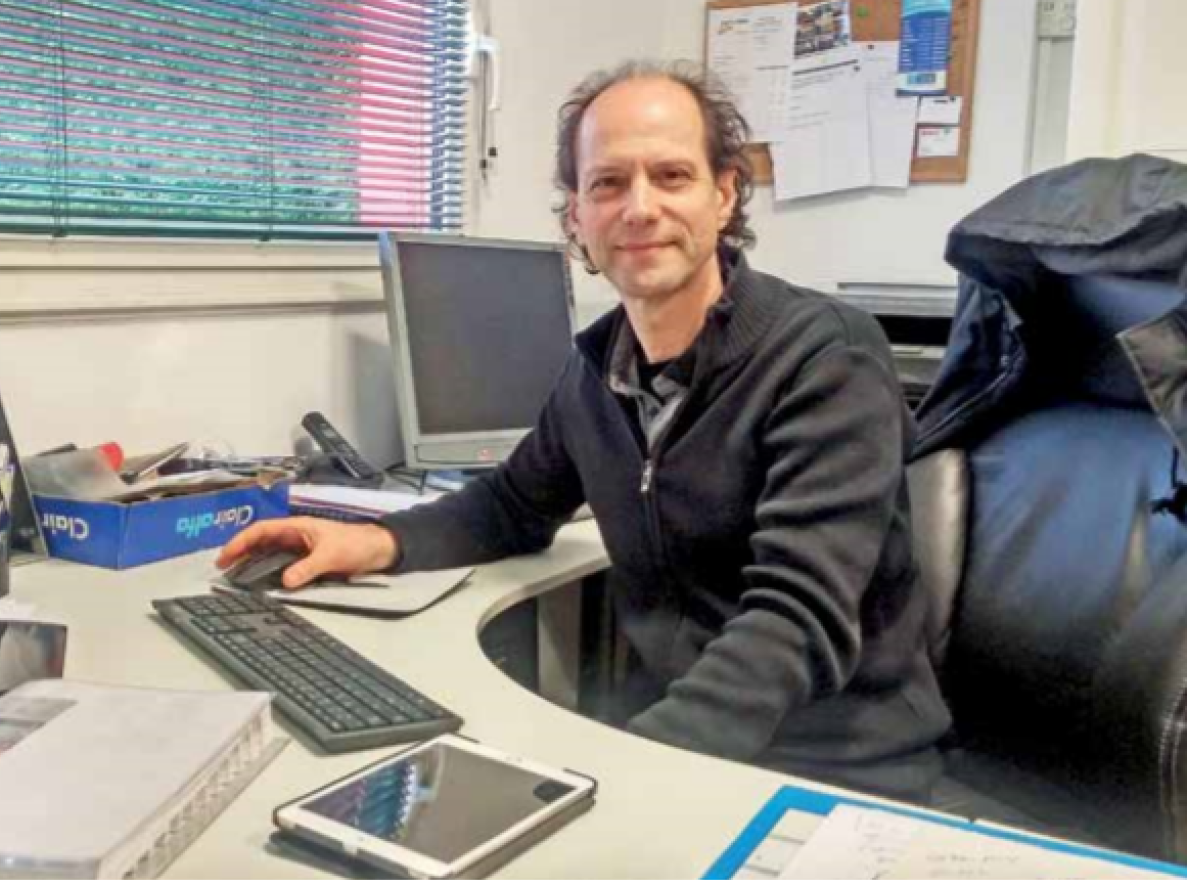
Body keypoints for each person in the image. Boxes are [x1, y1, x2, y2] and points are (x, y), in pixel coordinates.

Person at [218, 60, 951, 803]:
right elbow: (512, 504)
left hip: (833, 771)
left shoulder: (825, 359)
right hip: (681, 749)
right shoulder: (598, 368)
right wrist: (377, 542)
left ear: (724, 194)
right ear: (575, 216)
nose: (638, 208)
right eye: (607, 183)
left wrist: (635, 770)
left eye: (671, 176)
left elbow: (797, 619)